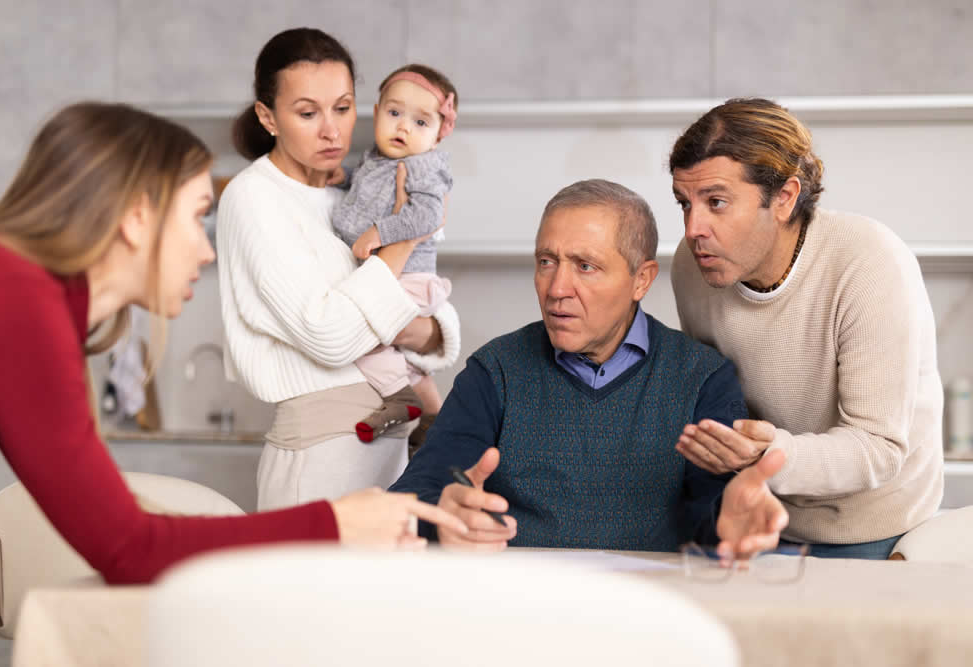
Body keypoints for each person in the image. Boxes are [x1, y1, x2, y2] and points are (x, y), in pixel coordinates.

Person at [0, 102, 467, 585]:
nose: (207, 250)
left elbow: (123, 536)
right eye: (196, 216)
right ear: (137, 217)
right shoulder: (18, 301)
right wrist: (337, 524)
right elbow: (130, 549)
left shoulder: (12, 288)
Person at [390, 179, 787, 554]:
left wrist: (727, 521)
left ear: (641, 280)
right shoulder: (495, 371)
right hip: (524, 607)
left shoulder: (702, 379)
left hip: (647, 607)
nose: (557, 289)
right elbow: (413, 497)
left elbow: (714, 508)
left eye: (585, 266)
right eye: (547, 262)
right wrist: (442, 517)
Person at [669, 98, 943, 560]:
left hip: (878, 523)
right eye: (684, 203)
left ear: (784, 197)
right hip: (760, 511)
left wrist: (766, 456)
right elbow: (718, 399)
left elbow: (878, 447)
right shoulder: (691, 268)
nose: (694, 227)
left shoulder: (869, 262)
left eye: (716, 202)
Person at [216, 28, 461, 511]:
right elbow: (329, 337)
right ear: (268, 116)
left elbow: (439, 330)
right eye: (307, 113)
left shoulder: (349, 191)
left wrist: (422, 328)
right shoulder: (253, 197)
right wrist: (403, 234)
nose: (331, 130)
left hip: (392, 452)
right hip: (321, 457)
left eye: (343, 108)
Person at [331, 63, 458, 446]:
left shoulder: (422, 165)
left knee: (364, 340)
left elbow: (427, 215)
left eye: (421, 122)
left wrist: (380, 232)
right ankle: (433, 412)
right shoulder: (377, 158)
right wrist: (347, 178)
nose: (403, 127)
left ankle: (398, 397)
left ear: (439, 134)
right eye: (394, 113)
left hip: (410, 279)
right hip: (395, 276)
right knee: (395, 350)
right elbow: (374, 190)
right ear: (377, 112)